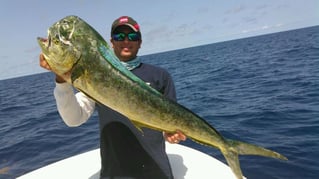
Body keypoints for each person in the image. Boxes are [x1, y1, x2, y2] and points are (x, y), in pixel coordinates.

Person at [39, 16, 186, 179]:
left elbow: (173, 122)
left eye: (132, 36)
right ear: (111, 42)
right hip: (115, 174)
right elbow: (73, 119)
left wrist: (171, 134)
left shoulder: (160, 76)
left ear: (140, 42)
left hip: (156, 173)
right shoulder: (98, 76)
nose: (125, 41)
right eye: (119, 36)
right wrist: (62, 81)